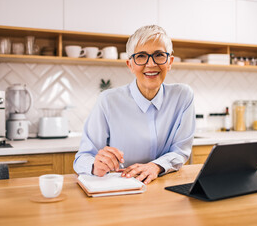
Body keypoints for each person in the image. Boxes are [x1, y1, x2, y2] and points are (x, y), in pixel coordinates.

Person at [73, 25, 195, 184]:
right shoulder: (108, 101)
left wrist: (155, 166)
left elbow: (180, 151)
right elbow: (82, 158)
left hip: (164, 185)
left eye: (159, 55)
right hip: (121, 187)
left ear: (170, 61)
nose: (151, 64)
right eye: (141, 56)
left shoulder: (183, 96)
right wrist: (95, 165)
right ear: (130, 64)